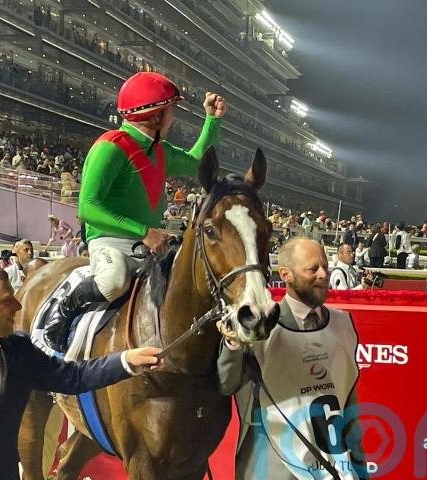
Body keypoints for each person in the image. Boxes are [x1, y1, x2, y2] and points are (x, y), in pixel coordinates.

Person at [43, 71, 226, 351]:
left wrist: (212, 120)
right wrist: (144, 232)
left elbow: (195, 163)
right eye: (170, 111)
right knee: (114, 281)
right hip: (109, 240)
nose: (173, 118)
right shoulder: (110, 147)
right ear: (155, 116)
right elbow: (87, 208)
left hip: (148, 241)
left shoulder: (159, 149)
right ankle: (65, 309)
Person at [0, 265, 162, 480]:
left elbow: (72, 376)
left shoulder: (18, 349)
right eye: (6, 301)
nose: (18, 306)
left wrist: (126, 361)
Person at [216, 238, 367, 479]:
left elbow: (347, 402)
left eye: (325, 267)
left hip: (333, 466)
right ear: (285, 274)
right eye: (312, 269)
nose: (323, 274)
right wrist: (233, 343)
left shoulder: (343, 324)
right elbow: (226, 384)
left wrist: (359, 463)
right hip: (273, 466)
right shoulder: (259, 327)